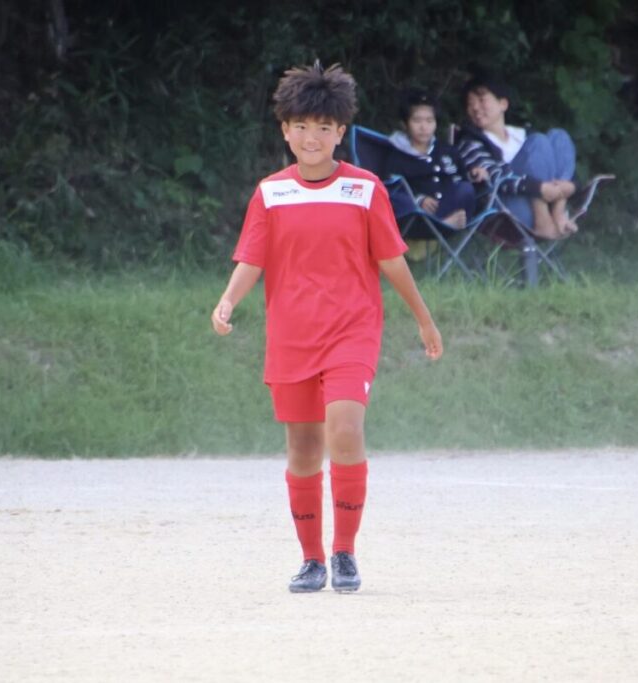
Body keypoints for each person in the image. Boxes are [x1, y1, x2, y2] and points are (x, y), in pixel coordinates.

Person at [210, 61, 443, 594]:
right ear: (285, 131)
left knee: (345, 429)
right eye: (301, 126)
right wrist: (227, 301)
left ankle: (345, 553)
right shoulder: (271, 192)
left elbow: (392, 261)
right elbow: (252, 258)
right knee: (303, 448)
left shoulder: (365, 189)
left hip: (350, 331)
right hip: (291, 336)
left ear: (341, 132)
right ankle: (312, 560)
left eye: (323, 127)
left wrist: (424, 320)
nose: (311, 137)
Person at [454, 72, 578, 240]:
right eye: (470, 104)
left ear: (503, 104)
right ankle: (543, 220)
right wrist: (538, 188)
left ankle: (558, 210)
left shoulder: (522, 135)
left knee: (558, 136)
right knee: (538, 141)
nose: (475, 108)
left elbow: (563, 167)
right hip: (506, 209)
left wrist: (571, 186)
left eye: (482, 100)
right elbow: (494, 177)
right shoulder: (470, 142)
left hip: (551, 200)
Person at [383, 88, 477, 230]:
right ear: (405, 124)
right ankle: (440, 226)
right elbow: (393, 190)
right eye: (417, 121)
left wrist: (474, 174)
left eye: (429, 121)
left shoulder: (446, 151)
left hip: (449, 206)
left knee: (465, 189)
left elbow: (462, 177)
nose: (424, 127)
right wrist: (419, 199)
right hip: (417, 214)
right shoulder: (397, 156)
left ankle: (445, 224)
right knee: (397, 200)